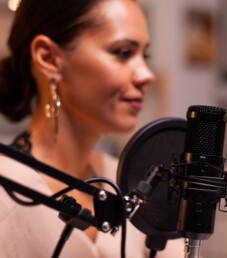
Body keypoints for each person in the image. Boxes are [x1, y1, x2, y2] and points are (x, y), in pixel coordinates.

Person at [0, 0, 184, 257]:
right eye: (123, 52)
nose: (147, 75)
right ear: (49, 58)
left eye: (145, 55)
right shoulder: (7, 194)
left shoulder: (129, 180)